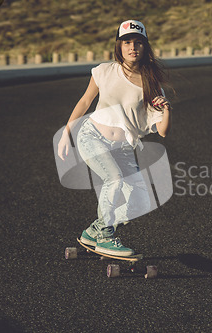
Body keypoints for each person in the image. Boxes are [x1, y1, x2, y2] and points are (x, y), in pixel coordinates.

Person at [57, 20, 172, 257]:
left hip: (122, 147)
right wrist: (66, 133)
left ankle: (94, 231)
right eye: (127, 42)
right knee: (114, 178)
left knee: (140, 201)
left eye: (138, 43)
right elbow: (85, 101)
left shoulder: (151, 85)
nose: (133, 47)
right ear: (119, 46)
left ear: (145, 47)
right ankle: (106, 237)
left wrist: (167, 109)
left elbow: (162, 131)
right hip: (93, 137)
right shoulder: (105, 71)